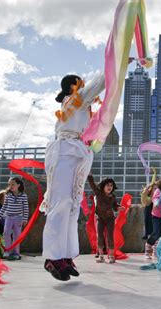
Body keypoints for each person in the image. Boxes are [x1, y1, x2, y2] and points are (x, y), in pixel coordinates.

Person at [40, 72, 105, 281]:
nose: (85, 87)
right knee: (60, 203)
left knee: (72, 206)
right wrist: (117, 64)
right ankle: (52, 257)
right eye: (81, 84)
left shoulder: (83, 106)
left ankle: (65, 255)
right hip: (65, 150)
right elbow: (98, 84)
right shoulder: (75, 100)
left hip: (77, 151)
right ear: (73, 87)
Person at [87, 175, 124, 264]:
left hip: (110, 219)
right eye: (107, 185)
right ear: (103, 186)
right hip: (100, 218)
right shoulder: (98, 193)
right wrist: (89, 176)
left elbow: (114, 206)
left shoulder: (112, 197)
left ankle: (111, 256)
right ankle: (101, 256)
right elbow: (92, 185)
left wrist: (119, 207)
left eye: (111, 186)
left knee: (110, 236)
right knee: (100, 236)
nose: (109, 187)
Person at [0, 177, 29, 260]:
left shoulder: (23, 196)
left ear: (18, 185)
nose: (11, 186)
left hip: (18, 218)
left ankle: (16, 253)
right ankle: (7, 251)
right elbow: (4, 206)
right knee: (6, 233)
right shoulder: (8, 195)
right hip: (8, 217)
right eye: (9, 184)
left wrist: (25, 219)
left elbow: (25, 208)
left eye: (13, 184)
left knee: (17, 236)